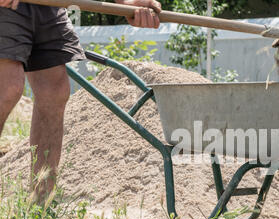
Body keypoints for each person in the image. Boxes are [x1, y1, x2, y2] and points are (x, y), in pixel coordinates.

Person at [0, 0, 161, 203]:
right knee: (7, 88)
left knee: (55, 92)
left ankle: (40, 205)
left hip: (50, 5)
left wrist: (126, 3)